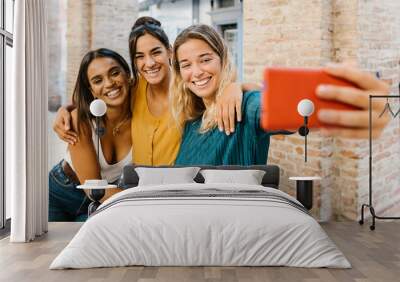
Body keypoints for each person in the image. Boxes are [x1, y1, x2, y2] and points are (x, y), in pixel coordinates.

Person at [170, 24, 390, 165]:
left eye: (206, 59)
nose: (196, 72)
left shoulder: (245, 107)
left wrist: (349, 101)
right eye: (186, 65)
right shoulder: (191, 124)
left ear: (223, 61)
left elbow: (281, 107)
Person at [53, 17, 248, 166]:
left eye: (156, 52)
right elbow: (100, 95)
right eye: (140, 57)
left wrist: (235, 86)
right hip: (137, 188)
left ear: (170, 51)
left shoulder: (189, 88)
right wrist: (66, 110)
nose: (150, 63)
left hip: (168, 193)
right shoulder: (133, 88)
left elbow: (246, 91)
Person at [49, 48, 133, 221]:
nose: (109, 83)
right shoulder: (80, 121)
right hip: (60, 193)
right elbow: (92, 187)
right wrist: (142, 204)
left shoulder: (143, 118)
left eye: (115, 73)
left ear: (127, 75)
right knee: (46, 247)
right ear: (92, 90)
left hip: (105, 197)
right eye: (98, 80)